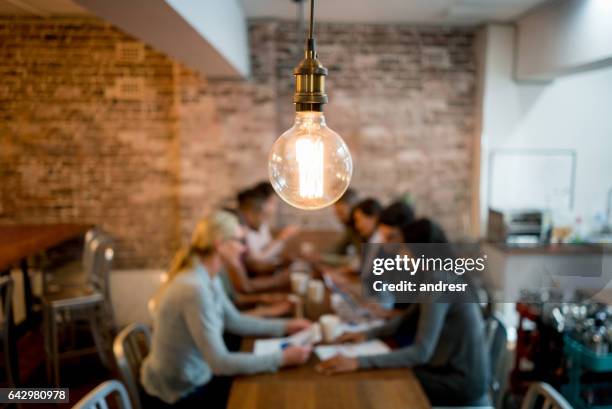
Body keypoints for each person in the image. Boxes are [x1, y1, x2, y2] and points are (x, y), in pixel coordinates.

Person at [141, 211, 311, 408]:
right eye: (239, 241)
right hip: (180, 392)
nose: (244, 248)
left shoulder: (208, 276)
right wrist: (281, 358)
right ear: (219, 244)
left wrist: (287, 326)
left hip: (198, 374)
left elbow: (234, 321)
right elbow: (220, 363)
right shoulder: (194, 288)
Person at [317, 217, 490, 407]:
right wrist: (366, 334)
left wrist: (358, 362)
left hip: (460, 383)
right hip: (447, 371)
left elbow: (421, 352)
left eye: (404, 247)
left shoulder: (439, 280)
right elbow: (406, 320)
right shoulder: (437, 274)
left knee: (382, 387)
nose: (401, 254)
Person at [238, 187, 299, 275]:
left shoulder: (262, 224)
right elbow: (255, 262)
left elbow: (267, 250)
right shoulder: (241, 230)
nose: (274, 208)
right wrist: (282, 238)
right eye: (272, 203)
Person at [332, 188, 361, 255]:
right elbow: (339, 249)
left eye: (341, 213)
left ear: (354, 208)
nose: (339, 218)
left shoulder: (362, 229)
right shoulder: (351, 229)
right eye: (337, 213)